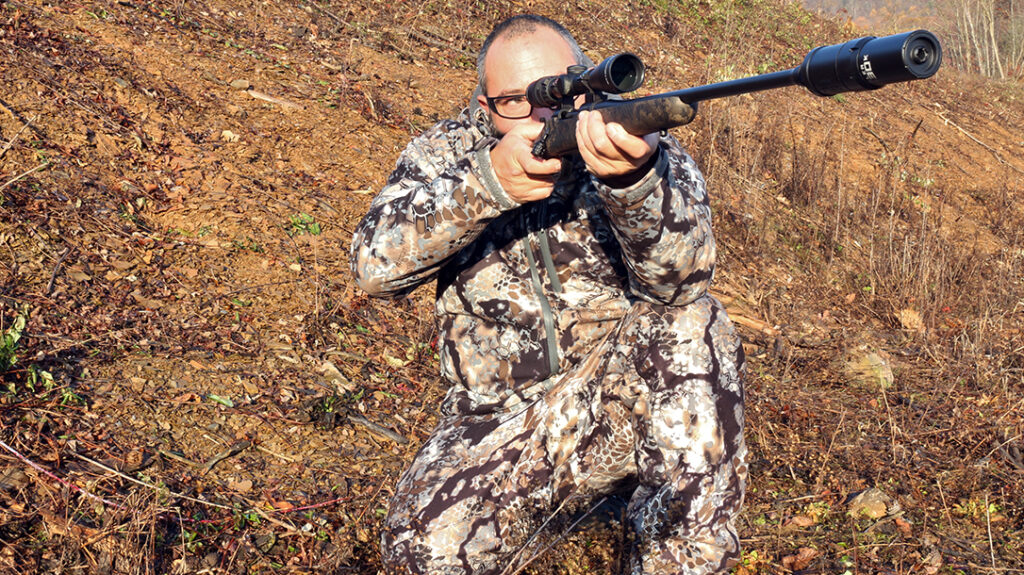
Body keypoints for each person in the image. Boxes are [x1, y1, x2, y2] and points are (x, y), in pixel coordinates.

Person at [351, 14, 746, 575]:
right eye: (516, 99)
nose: (545, 110)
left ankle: (675, 557)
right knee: (420, 553)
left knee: (689, 322)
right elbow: (373, 267)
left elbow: (681, 284)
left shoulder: (638, 144)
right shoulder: (444, 153)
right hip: (495, 418)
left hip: (621, 391)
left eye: (567, 86)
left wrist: (633, 185)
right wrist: (486, 185)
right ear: (483, 105)